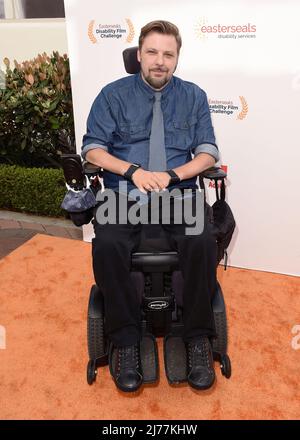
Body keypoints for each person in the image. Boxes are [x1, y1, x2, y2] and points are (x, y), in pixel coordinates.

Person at [81, 20, 220, 393]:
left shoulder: (193, 96)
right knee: (108, 244)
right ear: (139, 54)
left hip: (179, 194)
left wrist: (174, 175)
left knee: (203, 241)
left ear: (177, 58)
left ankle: (197, 339)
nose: (160, 61)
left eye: (168, 54)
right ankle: (125, 342)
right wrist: (132, 171)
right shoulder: (112, 95)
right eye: (153, 52)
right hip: (125, 194)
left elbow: (208, 152)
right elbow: (92, 148)